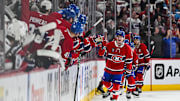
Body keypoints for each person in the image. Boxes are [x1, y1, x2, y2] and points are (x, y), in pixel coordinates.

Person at [98, 30, 133, 101]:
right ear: (115, 37)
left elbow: (129, 60)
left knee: (116, 86)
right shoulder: (110, 45)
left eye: (121, 37)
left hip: (119, 71)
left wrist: (128, 69)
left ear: (123, 38)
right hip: (108, 69)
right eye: (118, 36)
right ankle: (112, 91)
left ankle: (114, 98)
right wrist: (103, 46)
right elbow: (101, 54)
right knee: (105, 83)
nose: (119, 38)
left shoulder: (127, 48)